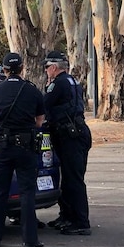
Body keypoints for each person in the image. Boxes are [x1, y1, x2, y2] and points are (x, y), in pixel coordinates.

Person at [0, 52, 46, 247]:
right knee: (27, 192)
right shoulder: (32, 91)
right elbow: (39, 121)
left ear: (4, 69)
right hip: (26, 146)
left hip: (3, 147)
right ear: (22, 68)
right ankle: (29, 240)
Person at [42, 50, 92, 236]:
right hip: (74, 133)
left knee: (73, 179)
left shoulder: (58, 84)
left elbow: (43, 104)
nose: (46, 71)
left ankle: (80, 221)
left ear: (54, 68)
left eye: (47, 68)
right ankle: (67, 215)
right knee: (68, 178)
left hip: (71, 135)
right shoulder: (72, 81)